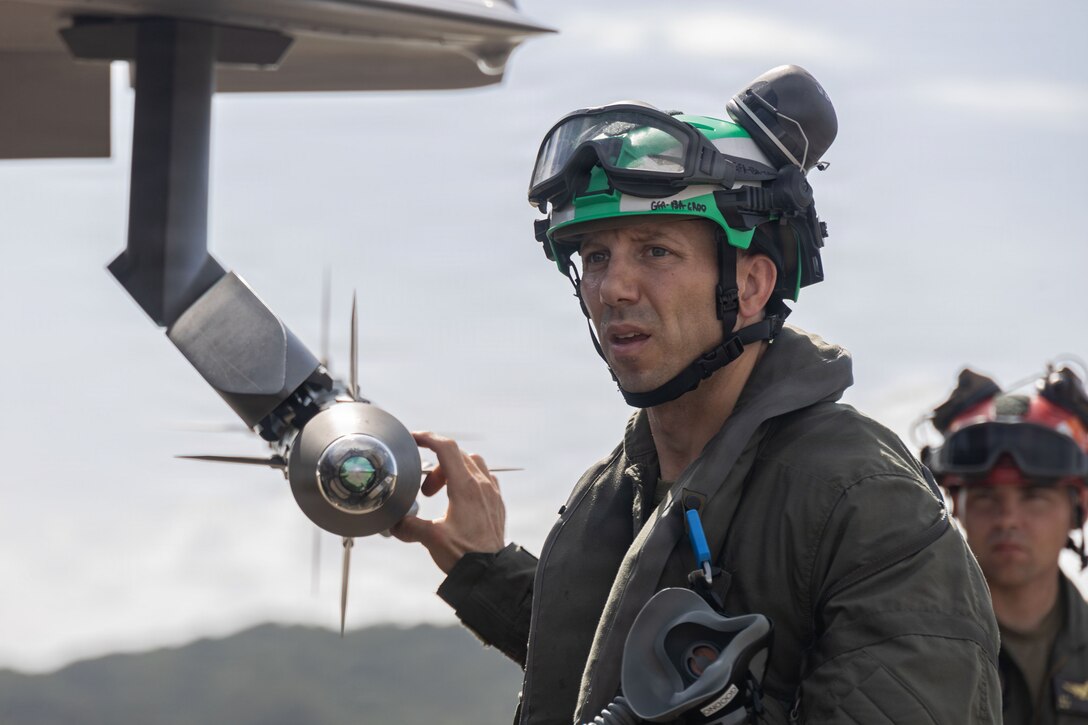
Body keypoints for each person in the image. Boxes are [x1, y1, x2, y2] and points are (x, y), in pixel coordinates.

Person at [393, 66, 1001, 723]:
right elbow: (602, 676)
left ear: (751, 285)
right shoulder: (609, 493)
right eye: (595, 256)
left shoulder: (866, 503)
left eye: (655, 251)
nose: (613, 288)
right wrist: (481, 565)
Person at [924, 365, 1088, 724]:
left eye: (1034, 496)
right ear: (956, 507)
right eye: (985, 496)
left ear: (1078, 510)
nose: (1008, 519)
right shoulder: (911, 649)